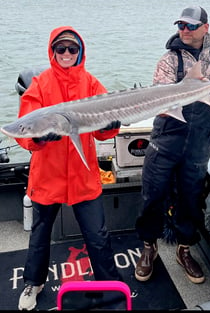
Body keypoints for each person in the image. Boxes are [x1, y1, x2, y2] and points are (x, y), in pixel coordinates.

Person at [135, 6, 210, 284]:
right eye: (181, 25)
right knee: (152, 195)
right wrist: (160, 103)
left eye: (190, 25)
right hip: (166, 140)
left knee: (191, 199)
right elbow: (160, 92)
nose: (184, 30)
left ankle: (184, 250)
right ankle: (148, 248)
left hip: (200, 144)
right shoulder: (168, 60)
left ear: (205, 27)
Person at [16, 26, 122, 311]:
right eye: (60, 49)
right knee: (39, 235)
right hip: (47, 176)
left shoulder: (91, 83)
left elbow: (102, 131)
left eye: (72, 49)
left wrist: (111, 127)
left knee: (98, 236)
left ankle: (110, 287)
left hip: (83, 174)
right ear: (53, 51)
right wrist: (37, 138)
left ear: (80, 52)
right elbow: (23, 127)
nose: (66, 54)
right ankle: (33, 282)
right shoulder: (39, 84)